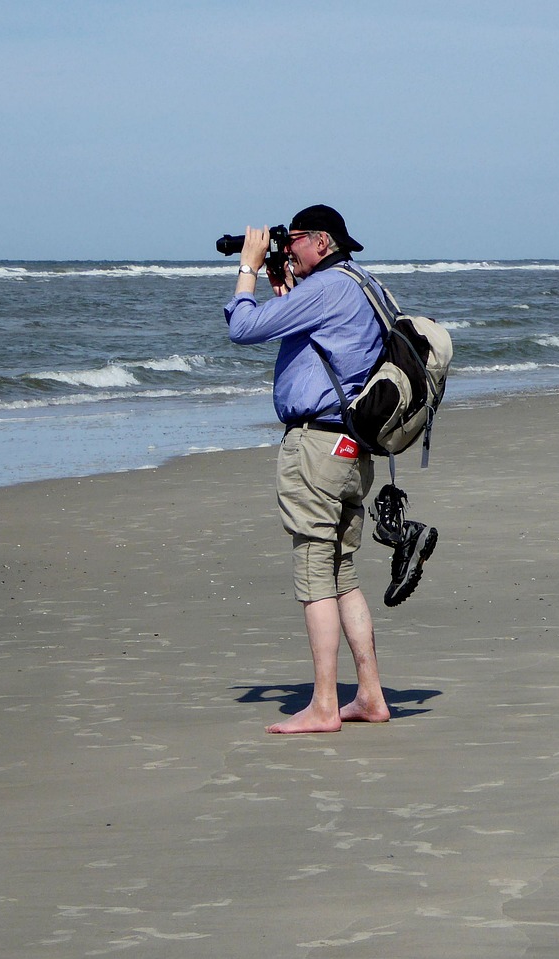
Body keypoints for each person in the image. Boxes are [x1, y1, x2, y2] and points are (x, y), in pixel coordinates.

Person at [224, 204, 394, 734]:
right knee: (343, 571)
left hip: (315, 448)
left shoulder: (325, 288)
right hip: (353, 446)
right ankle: (368, 694)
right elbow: (331, 346)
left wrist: (248, 267)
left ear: (321, 242)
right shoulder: (364, 284)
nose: (286, 249)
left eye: (292, 240)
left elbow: (244, 328)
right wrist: (290, 294)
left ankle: (324, 704)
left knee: (315, 570)